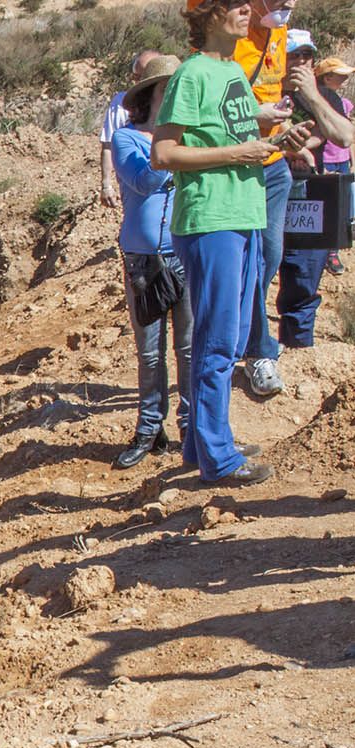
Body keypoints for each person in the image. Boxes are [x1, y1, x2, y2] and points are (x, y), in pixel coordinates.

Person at [152, 0, 284, 485]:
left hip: (243, 213)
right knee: (219, 339)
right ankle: (220, 458)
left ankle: (201, 443)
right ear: (208, 15)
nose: (247, 10)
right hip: (212, 220)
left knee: (223, 336)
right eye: (234, 4)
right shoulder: (193, 73)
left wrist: (272, 132)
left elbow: (231, 134)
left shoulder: (231, 72)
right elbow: (163, 152)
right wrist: (241, 151)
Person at [112, 55, 193, 469]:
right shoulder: (128, 140)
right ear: (152, 94)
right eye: (168, 88)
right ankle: (149, 429)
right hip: (144, 259)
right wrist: (172, 154)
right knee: (150, 351)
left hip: (185, 251)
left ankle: (192, 427)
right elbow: (142, 181)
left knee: (189, 347)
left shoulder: (190, 138)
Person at [233, 0, 298, 397]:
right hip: (241, 163)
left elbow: (275, 86)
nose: (288, 4)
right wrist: (258, 114)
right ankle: (259, 351)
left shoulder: (279, 31)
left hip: (275, 163)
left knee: (268, 256)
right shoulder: (228, 34)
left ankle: (245, 330)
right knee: (253, 260)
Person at [274, 32, 350, 349]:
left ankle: (297, 348)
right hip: (262, 189)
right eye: (294, 55)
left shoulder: (324, 96)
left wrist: (311, 95)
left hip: (306, 195)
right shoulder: (263, 90)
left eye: (307, 56)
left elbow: (343, 136)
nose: (301, 62)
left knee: (303, 275)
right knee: (255, 274)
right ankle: (254, 352)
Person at [100, 50, 163, 210]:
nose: (135, 80)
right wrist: (107, 183)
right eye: (134, 75)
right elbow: (108, 145)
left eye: (140, 76)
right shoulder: (120, 103)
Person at [313, 55, 351, 274]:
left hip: (342, 162)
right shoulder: (318, 102)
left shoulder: (344, 103)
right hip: (326, 161)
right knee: (325, 209)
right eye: (340, 76)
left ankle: (334, 249)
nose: (344, 80)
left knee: (342, 208)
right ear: (327, 78)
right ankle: (327, 252)